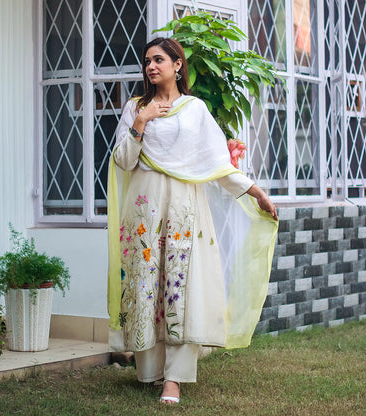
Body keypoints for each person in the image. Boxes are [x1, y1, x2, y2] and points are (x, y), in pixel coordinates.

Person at [107, 37, 278, 405]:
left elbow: (216, 163)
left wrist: (255, 191)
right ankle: (150, 370)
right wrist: (140, 121)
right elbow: (122, 160)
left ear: (177, 65)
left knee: (181, 286)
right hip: (145, 210)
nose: (151, 66)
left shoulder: (194, 109)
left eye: (159, 60)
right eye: (147, 61)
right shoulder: (136, 107)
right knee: (146, 285)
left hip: (184, 209)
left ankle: (175, 379)